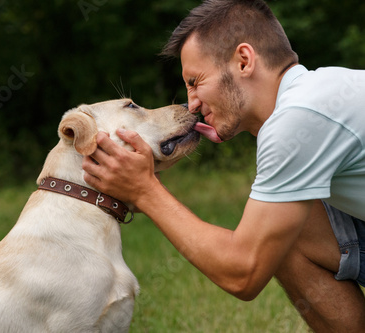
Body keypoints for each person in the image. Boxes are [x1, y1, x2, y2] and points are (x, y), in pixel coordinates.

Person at [81, 0, 365, 331]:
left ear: (244, 61)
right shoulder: (320, 94)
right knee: (282, 229)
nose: (192, 103)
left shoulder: (298, 119)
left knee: (269, 242)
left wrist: (145, 191)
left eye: (195, 81)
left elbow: (243, 272)